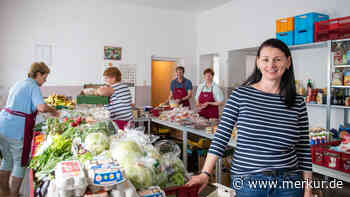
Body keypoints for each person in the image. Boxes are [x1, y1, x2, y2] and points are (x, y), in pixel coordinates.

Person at [186, 39, 312, 197]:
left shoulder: (297, 102)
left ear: (288, 62)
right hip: (247, 183)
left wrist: (308, 189)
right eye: (265, 59)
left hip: (289, 184)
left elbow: (303, 149)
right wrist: (205, 172)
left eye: (277, 59)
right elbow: (221, 136)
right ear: (258, 62)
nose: (271, 65)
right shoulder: (241, 95)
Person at [0, 62, 58, 197]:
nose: (44, 81)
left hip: (3, 124)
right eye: (44, 78)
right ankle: (14, 194)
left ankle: (4, 192)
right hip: (16, 128)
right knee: (21, 163)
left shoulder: (19, 83)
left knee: (6, 160)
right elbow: (41, 107)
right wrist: (53, 110)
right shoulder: (33, 86)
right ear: (38, 74)